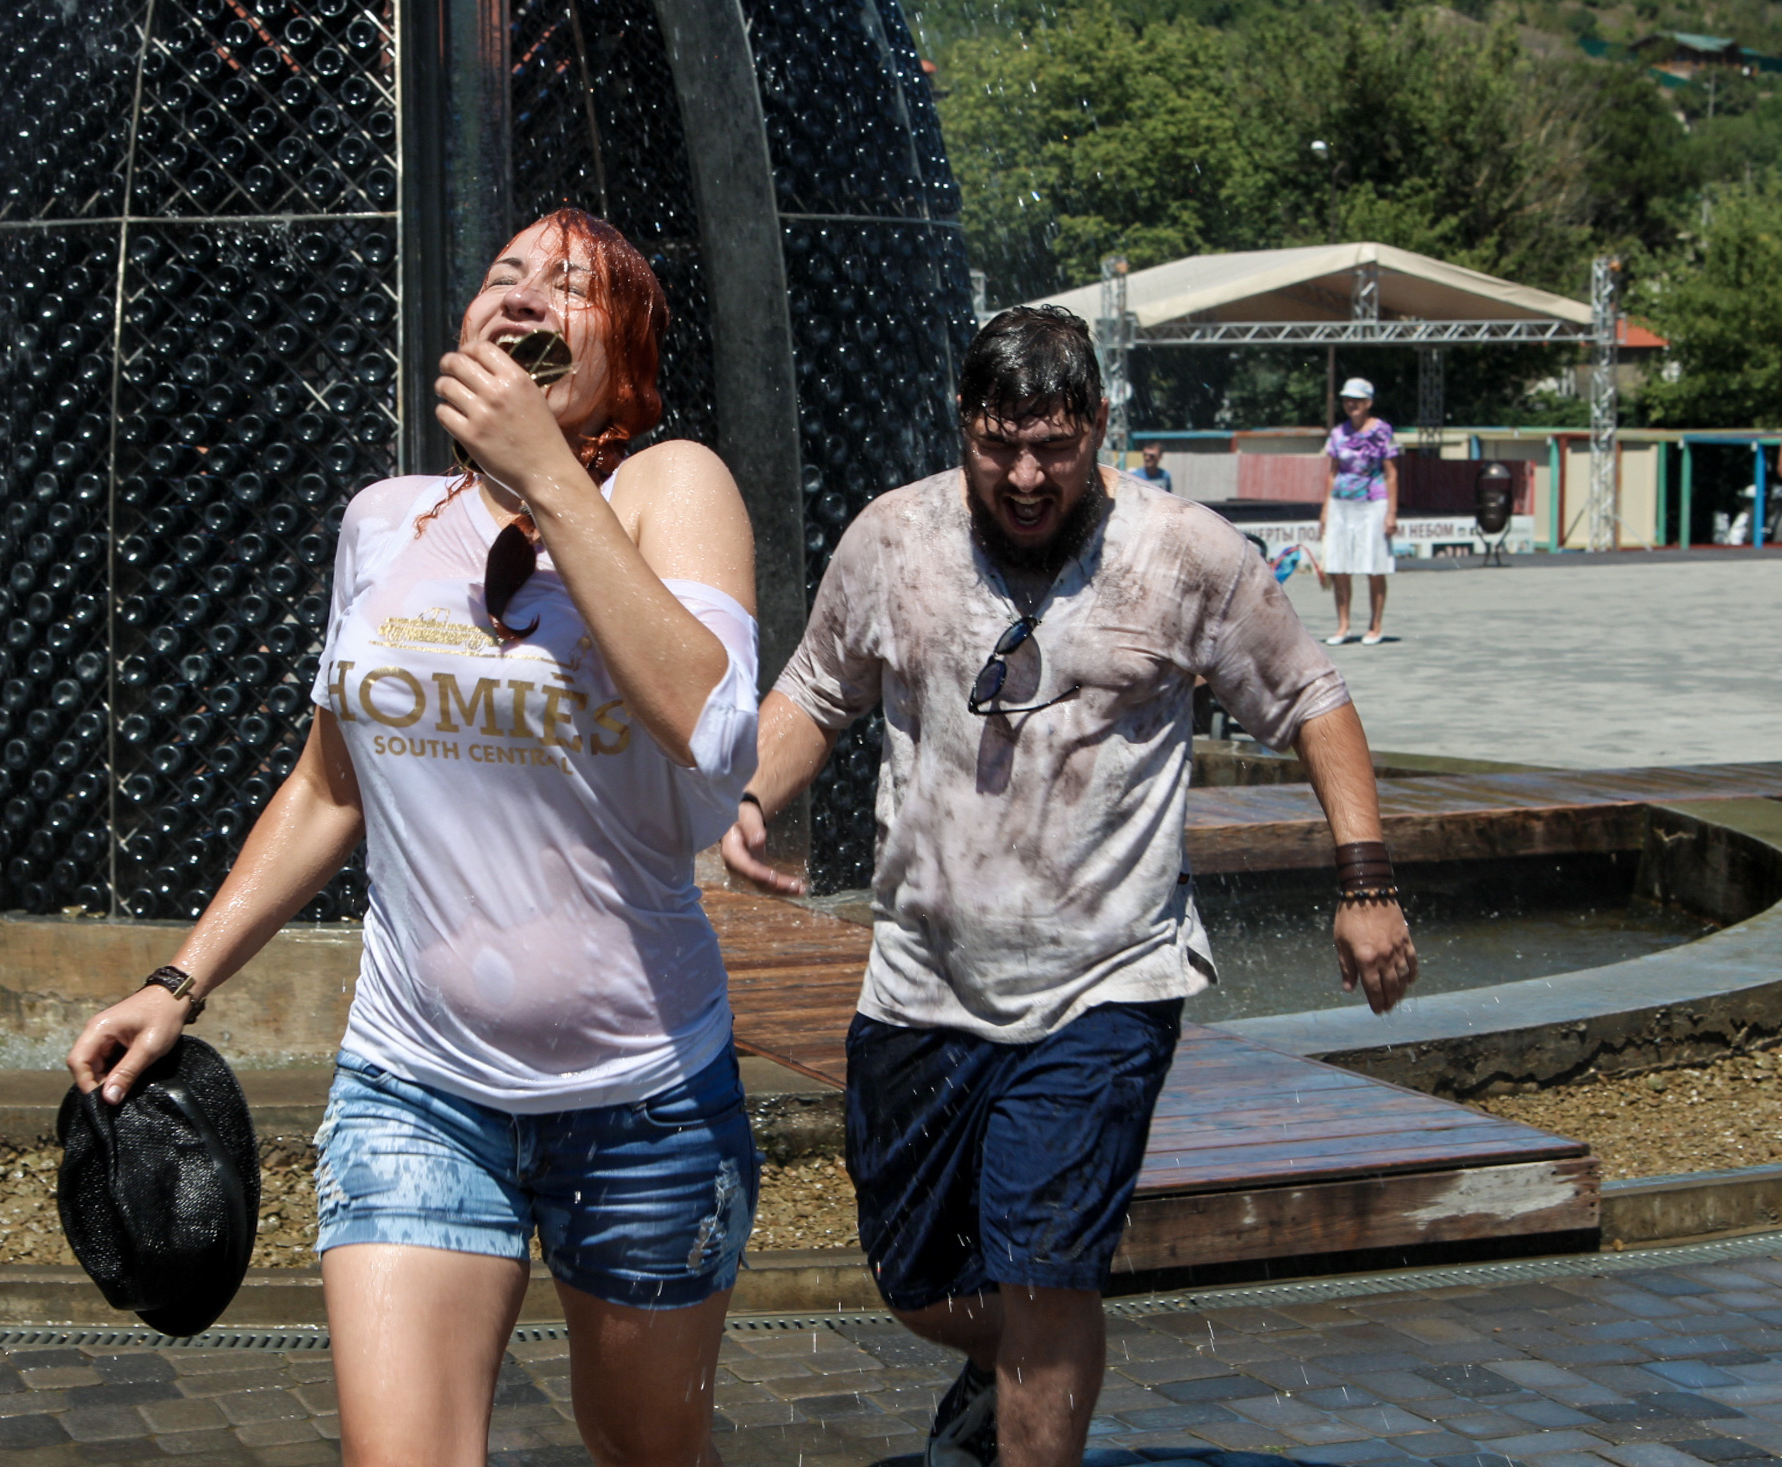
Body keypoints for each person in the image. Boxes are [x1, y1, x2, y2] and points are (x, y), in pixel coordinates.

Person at [68, 208, 761, 1467]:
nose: (526, 295)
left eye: (571, 285)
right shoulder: (387, 521)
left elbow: (710, 730)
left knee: (648, 1451)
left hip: (643, 1098)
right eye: (505, 275)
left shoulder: (668, 488)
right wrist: (179, 980)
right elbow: (327, 788)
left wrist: (551, 479)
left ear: (627, 353)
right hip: (414, 1084)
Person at [721, 306, 1417, 1467]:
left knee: (1045, 1273)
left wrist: (1365, 881)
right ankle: (1016, 1372)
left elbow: (1312, 699)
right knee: (912, 1280)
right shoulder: (893, 539)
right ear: (962, 425)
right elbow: (816, 690)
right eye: (999, 447)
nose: (1027, 477)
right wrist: (749, 797)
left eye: (1054, 446)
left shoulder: (1184, 553)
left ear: (1098, 423)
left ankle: (1038, 1384)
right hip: (920, 980)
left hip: (1108, 978)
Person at [1316, 377, 1398, 645]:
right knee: (1339, 566)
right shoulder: (1338, 433)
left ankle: (1375, 626)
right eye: (1347, 400)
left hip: (1373, 503)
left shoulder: (1382, 431)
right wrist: (1326, 509)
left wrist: (1391, 513)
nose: (1351, 404)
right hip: (1341, 504)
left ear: (1368, 402)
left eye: (1357, 400)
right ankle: (1343, 626)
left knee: (1374, 566)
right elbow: (1332, 472)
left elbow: (1391, 473)